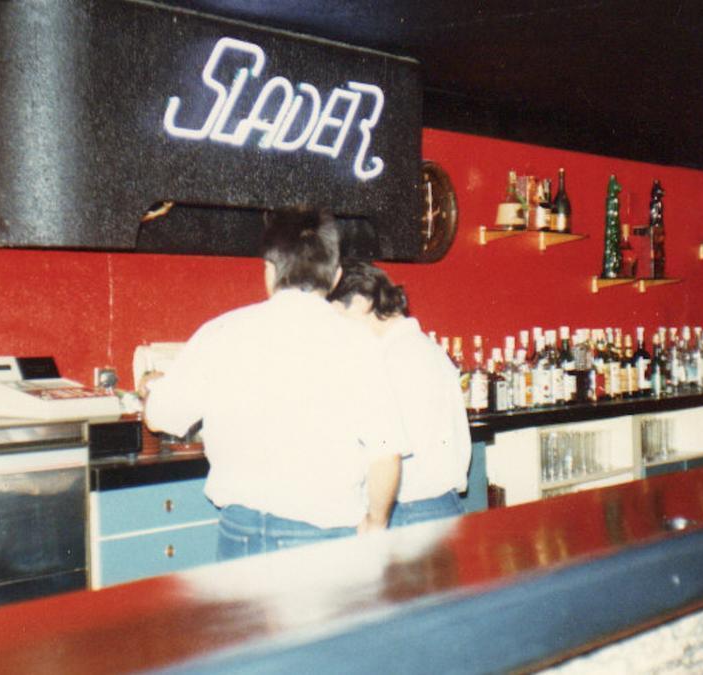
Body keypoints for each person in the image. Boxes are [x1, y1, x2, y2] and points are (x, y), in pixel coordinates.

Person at [141, 208, 405, 560]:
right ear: (337, 274)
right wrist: (375, 523)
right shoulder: (358, 343)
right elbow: (386, 455)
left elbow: (159, 418)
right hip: (323, 541)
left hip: (240, 535)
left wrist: (150, 389)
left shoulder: (221, 331)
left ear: (269, 270)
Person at [328, 261, 472, 527]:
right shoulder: (425, 349)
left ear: (361, 302)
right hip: (441, 506)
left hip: (406, 511)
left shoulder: (389, 360)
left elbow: (385, 452)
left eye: (337, 316)